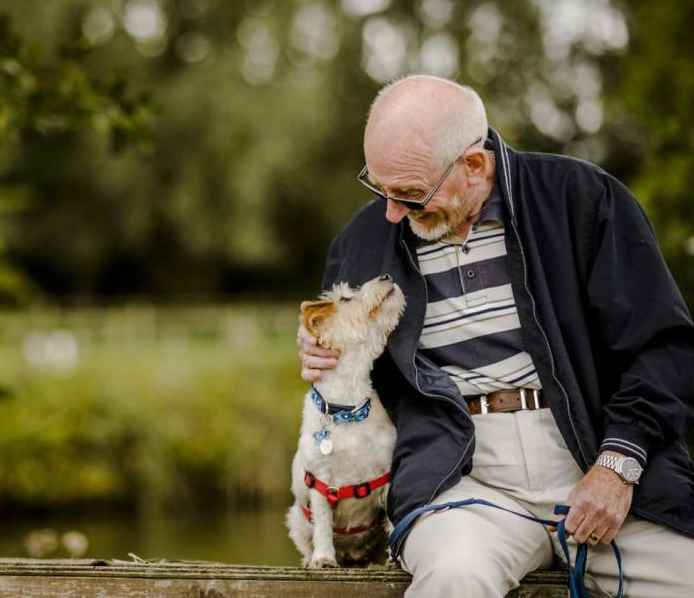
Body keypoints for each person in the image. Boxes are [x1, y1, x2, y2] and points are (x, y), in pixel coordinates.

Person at [296, 74, 694, 597]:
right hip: (460, 475)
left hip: (598, 454)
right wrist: (319, 352)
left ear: (475, 165)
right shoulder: (363, 240)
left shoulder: (582, 199)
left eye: (411, 194)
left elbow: (664, 346)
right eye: (380, 186)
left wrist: (618, 465)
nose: (391, 212)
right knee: (453, 577)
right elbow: (347, 368)